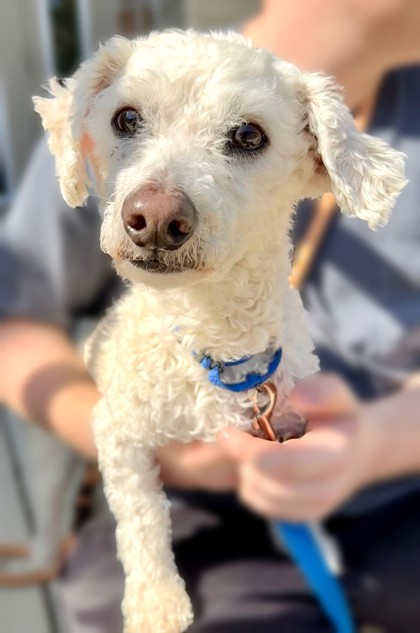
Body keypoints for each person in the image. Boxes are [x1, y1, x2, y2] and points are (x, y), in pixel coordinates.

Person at [1, 1, 420, 630]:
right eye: (130, 121)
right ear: (88, 133)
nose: (159, 207)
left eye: (245, 139)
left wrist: (374, 444)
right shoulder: (142, 63)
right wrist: (157, 453)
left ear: (314, 161)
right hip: (195, 503)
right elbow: (14, 323)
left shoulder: (315, 112)